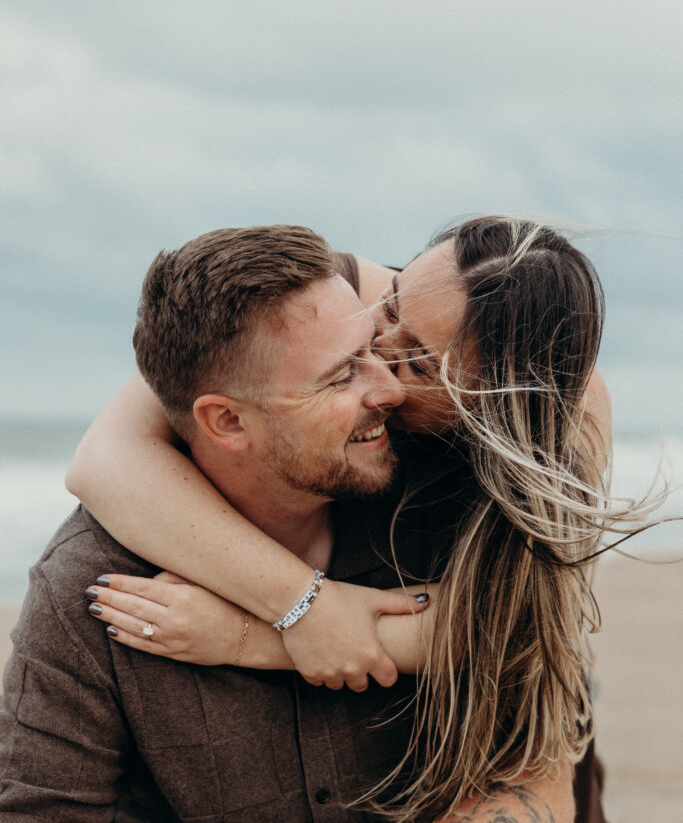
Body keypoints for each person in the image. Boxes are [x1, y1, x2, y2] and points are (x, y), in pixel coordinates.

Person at [0, 222, 577, 823]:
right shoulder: (92, 591)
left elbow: (530, 716)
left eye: (401, 360)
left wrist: (266, 632)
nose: (389, 388)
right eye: (341, 373)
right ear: (226, 422)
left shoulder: (459, 505)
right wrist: (305, 609)